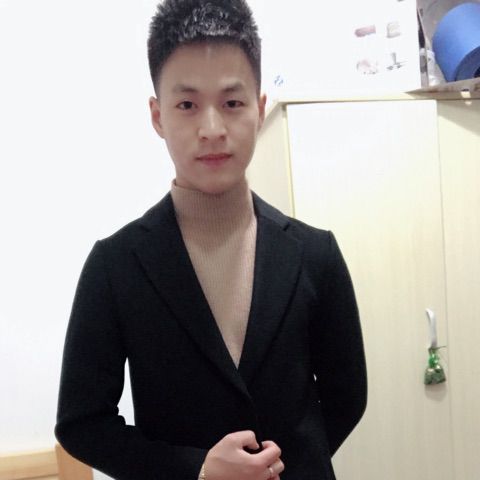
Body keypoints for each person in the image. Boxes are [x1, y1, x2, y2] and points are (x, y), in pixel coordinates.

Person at [55, 1, 367, 479]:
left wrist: (287, 463)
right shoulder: (115, 266)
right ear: (158, 116)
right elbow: (82, 423)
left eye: (232, 103)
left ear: (259, 108)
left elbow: (347, 396)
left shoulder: (315, 254)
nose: (212, 129)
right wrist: (196, 470)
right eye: (187, 105)